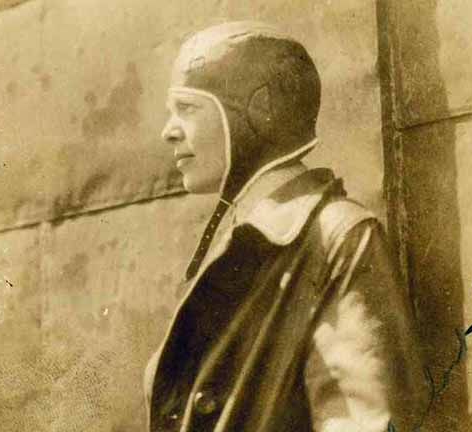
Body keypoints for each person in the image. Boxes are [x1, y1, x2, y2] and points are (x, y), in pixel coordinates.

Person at [144, 21, 429, 432]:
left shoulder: (336, 234)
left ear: (259, 113)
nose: (168, 131)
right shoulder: (239, 241)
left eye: (187, 108)